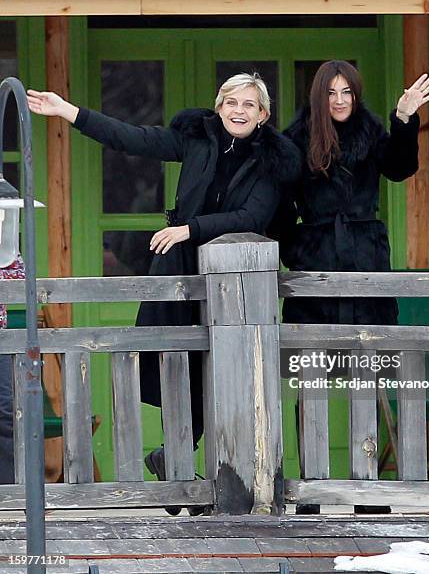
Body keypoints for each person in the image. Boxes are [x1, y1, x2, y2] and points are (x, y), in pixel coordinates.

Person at [27, 73, 301, 514]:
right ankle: (179, 470)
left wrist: (187, 229)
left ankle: (199, 474)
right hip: (179, 273)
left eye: (249, 105)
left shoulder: (273, 160)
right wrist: (69, 111)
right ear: (219, 107)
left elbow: (252, 214)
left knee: (228, 375)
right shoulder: (198, 139)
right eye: (231, 102)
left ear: (263, 115)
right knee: (178, 368)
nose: (238, 111)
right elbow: (132, 138)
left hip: (237, 284)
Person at [272, 60, 429, 514]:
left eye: (347, 92)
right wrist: (296, 250)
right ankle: (310, 486)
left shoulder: (371, 132)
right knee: (312, 378)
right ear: (318, 98)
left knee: (368, 371)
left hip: (365, 260)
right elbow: (280, 206)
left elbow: (401, 168)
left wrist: (405, 118)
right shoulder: (295, 141)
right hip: (316, 263)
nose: (340, 101)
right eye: (332, 93)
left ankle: (367, 486)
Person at [0, 255, 25, 484]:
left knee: (7, 412)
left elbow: (20, 278)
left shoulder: (4, 243)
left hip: (0, 340)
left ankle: (14, 491)